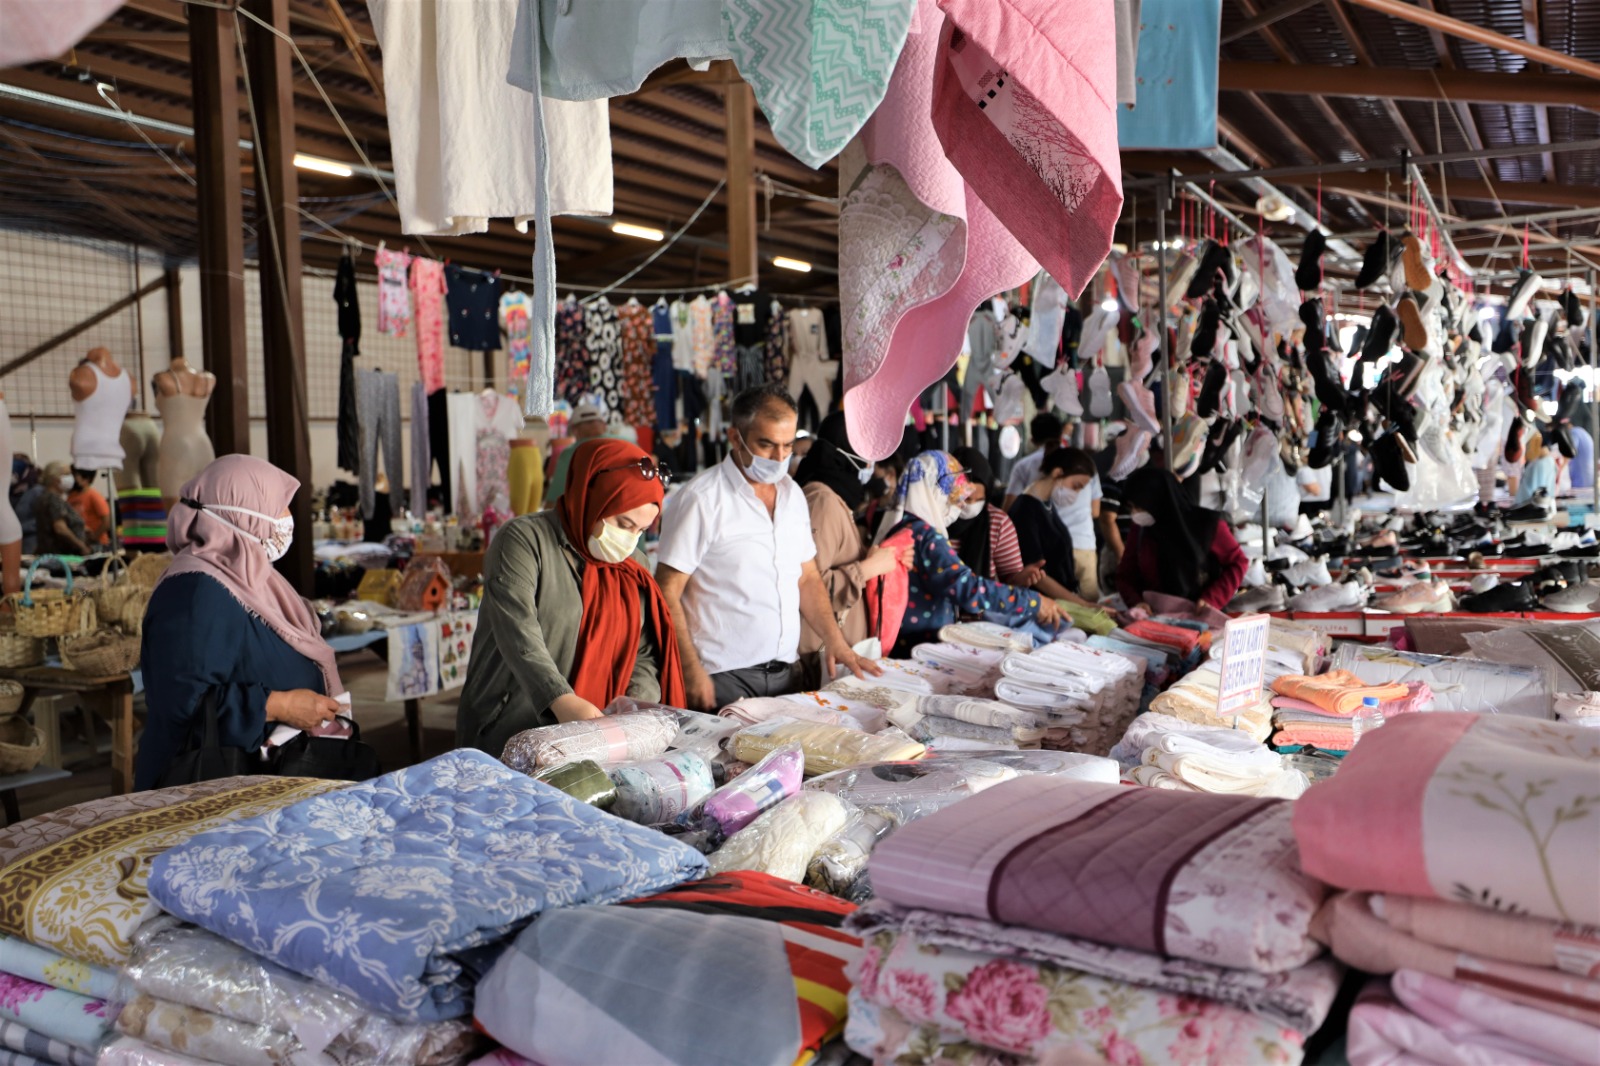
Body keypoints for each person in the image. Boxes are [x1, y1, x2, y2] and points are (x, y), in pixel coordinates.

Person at [656, 384, 880, 712]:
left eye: (788, 445)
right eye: (767, 444)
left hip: (787, 671)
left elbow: (807, 578)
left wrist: (836, 642)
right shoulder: (701, 499)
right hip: (722, 675)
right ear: (735, 438)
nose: (779, 457)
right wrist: (690, 669)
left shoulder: (793, 495)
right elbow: (666, 589)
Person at [458, 438, 684, 756]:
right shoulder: (523, 541)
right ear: (593, 497)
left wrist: (630, 708)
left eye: (640, 531)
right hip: (510, 726)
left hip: (596, 736)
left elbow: (643, 652)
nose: (629, 540)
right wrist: (560, 699)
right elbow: (518, 632)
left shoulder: (634, 566)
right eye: (623, 524)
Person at [135, 456, 345, 791]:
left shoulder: (250, 578)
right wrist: (281, 706)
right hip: (209, 792)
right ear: (243, 514)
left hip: (263, 778)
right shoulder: (196, 591)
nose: (286, 519)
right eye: (276, 507)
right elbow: (181, 701)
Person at [881, 451, 1058, 652]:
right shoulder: (927, 537)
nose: (960, 504)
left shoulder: (903, 526)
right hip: (918, 646)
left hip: (903, 638)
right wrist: (1032, 602)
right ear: (934, 492)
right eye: (952, 495)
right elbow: (967, 588)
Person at [795, 413, 908, 661]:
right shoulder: (823, 501)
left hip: (836, 651)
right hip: (821, 655)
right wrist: (868, 568)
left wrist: (874, 555)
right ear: (846, 451)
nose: (869, 464)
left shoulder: (836, 498)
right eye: (864, 452)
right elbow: (809, 586)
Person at [1117, 467, 1249, 612]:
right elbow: (1126, 575)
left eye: (1140, 507)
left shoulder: (1207, 526)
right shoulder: (1141, 529)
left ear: (1158, 500)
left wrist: (1212, 598)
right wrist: (1136, 602)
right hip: (1155, 615)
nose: (1135, 513)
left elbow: (1238, 562)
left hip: (1199, 613)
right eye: (1131, 507)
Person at [1005, 412, 1103, 596]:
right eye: (1076, 486)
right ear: (1058, 473)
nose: (1076, 494)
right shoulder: (1027, 509)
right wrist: (1082, 605)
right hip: (1047, 601)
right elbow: (1037, 575)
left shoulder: (1048, 505)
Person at [946, 448, 1027, 585]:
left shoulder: (998, 523)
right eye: (966, 498)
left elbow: (1011, 578)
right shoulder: (933, 520)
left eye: (979, 500)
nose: (971, 506)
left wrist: (1022, 579)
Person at [543, 402, 608, 506]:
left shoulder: (571, 453)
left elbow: (554, 500)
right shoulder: (628, 442)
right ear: (604, 426)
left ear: (574, 430)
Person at [34, 461, 91, 557]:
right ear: (55, 479)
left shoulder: (44, 497)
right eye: (67, 474)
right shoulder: (53, 499)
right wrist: (81, 546)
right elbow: (60, 528)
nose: (71, 478)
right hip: (61, 555)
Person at [1515, 431, 1556, 506]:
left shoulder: (1539, 464)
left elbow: (1535, 490)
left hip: (1529, 506)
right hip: (1543, 504)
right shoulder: (1549, 461)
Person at [11, 457, 42, 556]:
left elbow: (41, 519)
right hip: (14, 540)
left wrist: (18, 528)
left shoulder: (36, 492)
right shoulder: (11, 492)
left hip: (31, 540)